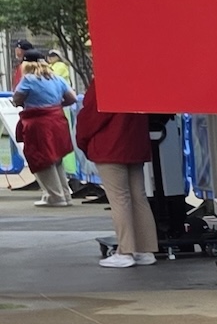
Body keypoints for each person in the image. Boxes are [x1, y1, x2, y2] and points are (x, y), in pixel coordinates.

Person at [75, 77, 163, 268]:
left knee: (119, 199)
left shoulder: (106, 82)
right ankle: (145, 249)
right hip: (135, 144)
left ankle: (125, 251)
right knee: (138, 196)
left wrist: (83, 140)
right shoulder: (136, 81)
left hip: (109, 145)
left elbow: (91, 117)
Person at [12, 49, 76, 206]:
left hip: (38, 123)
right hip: (58, 119)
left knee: (41, 158)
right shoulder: (57, 78)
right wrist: (55, 106)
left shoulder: (28, 79)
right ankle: (65, 194)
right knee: (57, 157)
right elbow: (72, 98)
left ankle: (54, 196)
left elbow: (17, 99)